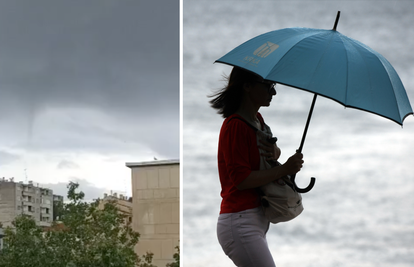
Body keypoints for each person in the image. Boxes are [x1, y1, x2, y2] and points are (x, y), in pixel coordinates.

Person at [209, 67, 304, 267]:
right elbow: (241, 180)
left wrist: (275, 151)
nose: (274, 92)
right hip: (240, 220)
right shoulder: (235, 126)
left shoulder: (257, 121)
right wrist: (285, 169)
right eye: (269, 86)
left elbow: (263, 154)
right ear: (247, 87)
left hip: (253, 220)